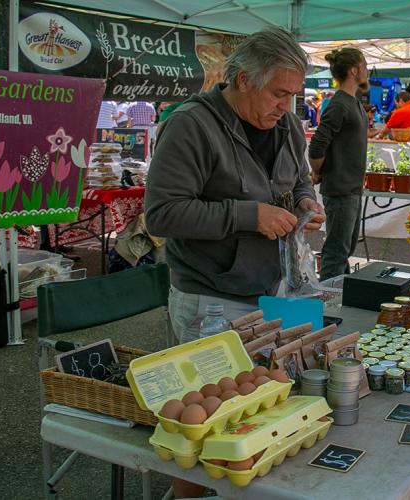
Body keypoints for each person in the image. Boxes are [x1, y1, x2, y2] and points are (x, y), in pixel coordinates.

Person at [145, 26, 325, 497]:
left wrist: (306, 203)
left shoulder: (284, 124)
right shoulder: (191, 124)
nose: (285, 105)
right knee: (207, 434)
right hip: (211, 297)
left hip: (269, 290)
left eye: (292, 94)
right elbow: (162, 214)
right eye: (278, 93)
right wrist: (250, 216)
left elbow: (300, 180)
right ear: (243, 78)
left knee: (253, 426)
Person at [308, 48, 369, 281]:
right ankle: (328, 304)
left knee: (344, 250)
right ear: (354, 70)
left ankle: (337, 298)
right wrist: (319, 171)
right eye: (364, 65)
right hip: (341, 189)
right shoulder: (339, 104)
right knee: (336, 252)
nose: (367, 71)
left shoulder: (351, 102)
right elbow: (317, 146)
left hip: (350, 188)